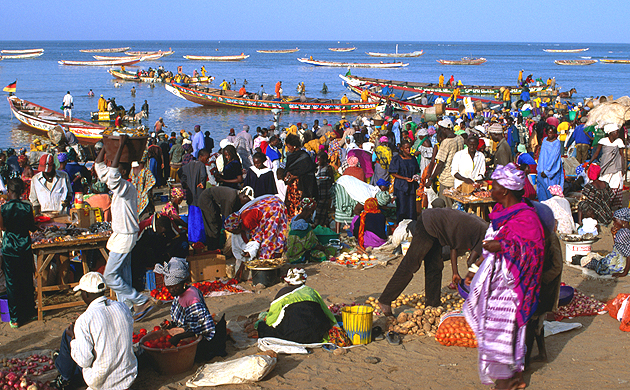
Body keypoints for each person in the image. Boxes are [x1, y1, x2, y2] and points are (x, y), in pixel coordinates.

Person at [463, 163, 545, 390]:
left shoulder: (526, 218)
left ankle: (506, 379)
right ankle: (514, 377)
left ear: (505, 191)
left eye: (495, 186)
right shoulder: (500, 214)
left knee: (501, 329)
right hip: (496, 281)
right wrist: (474, 272)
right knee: (498, 328)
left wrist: (503, 245)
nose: (491, 189)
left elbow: (533, 250)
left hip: (512, 286)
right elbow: (489, 249)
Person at [378, 207, 488, 316]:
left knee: (435, 266)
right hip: (430, 223)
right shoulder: (486, 234)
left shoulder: (482, 228)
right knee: (411, 263)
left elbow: (454, 246)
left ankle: (432, 304)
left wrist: (455, 272)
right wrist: (473, 279)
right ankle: (385, 300)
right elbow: (471, 262)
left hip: (438, 228)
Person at [95, 136, 154, 321]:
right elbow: (99, 168)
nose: (113, 169)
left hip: (125, 236)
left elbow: (112, 176)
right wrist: (106, 147)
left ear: (124, 171)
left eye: (117, 167)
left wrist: (119, 146)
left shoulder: (126, 187)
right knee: (123, 275)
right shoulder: (119, 185)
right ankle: (127, 309)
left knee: (111, 276)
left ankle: (141, 300)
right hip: (121, 235)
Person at [51, 272, 137, 390]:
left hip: (101, 381)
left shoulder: (85, 319)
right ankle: (65, 368)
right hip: (127, 376)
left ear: (85, 294)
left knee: (67, 337)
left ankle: (65, 377)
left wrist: (74, 339)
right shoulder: (122, 307)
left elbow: (84, 361)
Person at [154, 258, 227, 362]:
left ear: (183, 283)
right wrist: (171, 324)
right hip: (190, 331)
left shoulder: (192, 298)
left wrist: (178, 337)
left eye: (174, 287)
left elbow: (200, 327)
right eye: (169, 288)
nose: (171, 291)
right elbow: (185, 319)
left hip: (204, 340)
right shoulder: (178, 295)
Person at [256, 268, 336, 343]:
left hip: (293, 335)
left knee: (263, 327)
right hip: (317, 334)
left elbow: (272, 319)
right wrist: (335, 325)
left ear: (288, 281)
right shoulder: (311, 291)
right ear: (304, 281)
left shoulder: (283, 292)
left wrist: (266, 321)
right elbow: (326, 312)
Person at [0, 179, 37, 328]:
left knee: (12, 283)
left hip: (9, 248)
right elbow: (32, 227)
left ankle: (15, 318)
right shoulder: (27, 207)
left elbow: (3, 228)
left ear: (9, 192)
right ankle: (30, 312)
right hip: (24, 247)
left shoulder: (3, 208)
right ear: (21, 191)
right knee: (27, 279)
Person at [224, 195, 289, 274]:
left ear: (237, 227)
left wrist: (251, 251)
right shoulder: (242, 218)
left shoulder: (247, 222)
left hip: (274, 208)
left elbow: (258, 236)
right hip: (270, 203)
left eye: (234, 232)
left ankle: (268, 270)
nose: (234, 234)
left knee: (269, 241)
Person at [427, 120, 464, 208]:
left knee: (445, 206)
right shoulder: (460, 138)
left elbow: (440, 163)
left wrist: (431, 178)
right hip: (458, 177)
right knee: (455, 205)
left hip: (447, 178)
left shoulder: (446, 142)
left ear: (443, 129)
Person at [584, 208, 630, 277]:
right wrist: (614, 235)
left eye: (615, 221)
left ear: (623, 221)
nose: (614, 224)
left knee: (592, 263)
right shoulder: (625, 231)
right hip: (620, 263)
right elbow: (619, 248)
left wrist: (624, 273)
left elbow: (628, 254)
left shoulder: (623, 233)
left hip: (618, 266)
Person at [285, 198, 334, 263]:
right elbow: (306, 244)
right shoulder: (303, 225)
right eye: (312, 210)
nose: (313, 212)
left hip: (290, 252)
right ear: (309, 210)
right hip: (299, 254)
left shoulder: (295, 219)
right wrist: (318, 247)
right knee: (323, 255)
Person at [284, 134, 318, 218]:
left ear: (294, 146)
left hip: (301, 187)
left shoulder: (304, 156)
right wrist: (287, 174)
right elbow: (288, 169)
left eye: (289, 147)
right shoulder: (290, 156)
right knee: (290, 206)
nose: (288, 149)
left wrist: (295, 176)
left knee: (300, 207)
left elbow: (308, 170)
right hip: (291, 188)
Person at [589, 123, 626, 191]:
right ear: (611, 133)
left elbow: (622, 156)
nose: (617, 134)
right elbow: (596, 154)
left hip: (616, 168)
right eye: (616, 132)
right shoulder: (603, 141)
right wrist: (589, 163)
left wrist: (623, 168)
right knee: (604, 184)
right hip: (605, 166)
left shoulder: (619, 141)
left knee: (616, 185)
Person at [390, 140, 419, 222]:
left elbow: (416, 170)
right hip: (401, 186)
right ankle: (402, 224)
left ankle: (412, 224)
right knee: (402, 207)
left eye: (409, 148)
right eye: (406, 148)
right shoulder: (397, 159)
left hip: (411, 186)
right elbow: (393, 173)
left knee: (411, 207)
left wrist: (415, 177)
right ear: (402, 148)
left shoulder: (413, 158)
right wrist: (405, 178)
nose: (408, 150)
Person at [537, 126, 564, 201]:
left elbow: (553, 158)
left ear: (555, 133)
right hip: (541, 168)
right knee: (542, 189)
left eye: (552, 133)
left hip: (551, 170)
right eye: (549, 133)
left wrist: (547, 171)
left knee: (551, 190)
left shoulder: (556, 143)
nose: (550, 135)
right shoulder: (545, 140)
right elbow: (542, 154)